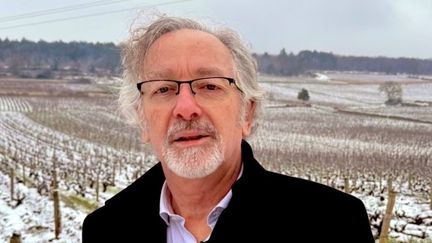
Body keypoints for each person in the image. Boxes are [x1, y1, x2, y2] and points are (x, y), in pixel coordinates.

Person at [82, 14, 374, 243]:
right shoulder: (105, 230)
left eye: (209, 85)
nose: (185, 108)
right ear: (142, 119)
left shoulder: (331, 225)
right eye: (163, 89)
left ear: (247, 112)